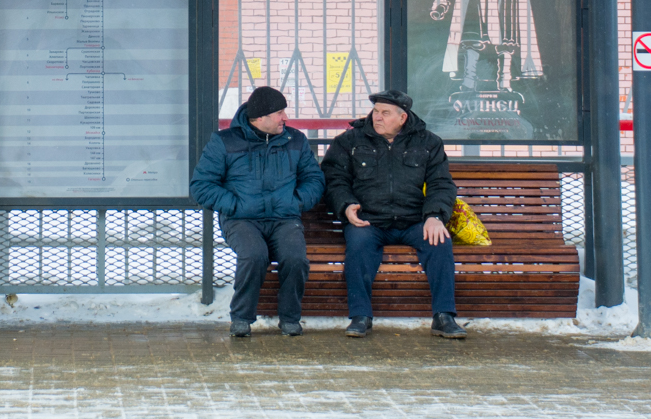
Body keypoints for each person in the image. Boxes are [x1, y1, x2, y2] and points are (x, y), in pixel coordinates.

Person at [321, 89, 467, 339]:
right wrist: (346, 205)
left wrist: (434, 216)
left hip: (414, 221)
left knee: (439, 240)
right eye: (376, 111)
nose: (377, 117)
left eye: (385, 113)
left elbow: (441, 184)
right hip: (369, 220)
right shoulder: (349, 141)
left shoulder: (428, 142)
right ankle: (360, 316)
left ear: (402, 118)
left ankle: (444, 316)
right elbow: (334, 180)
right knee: (358, 243)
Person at [190, 86, 325, 337]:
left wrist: (295, 202)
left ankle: (290, 318)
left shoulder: (295, 140)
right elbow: (201, 186)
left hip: (284, 218)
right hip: (242, 220)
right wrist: (234, 206)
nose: (285, 118)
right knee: (254, 255)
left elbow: (314, 179)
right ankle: (241, 317)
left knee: (295, 258)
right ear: (260, 118)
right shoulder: (224, 141)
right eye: (279, 113)